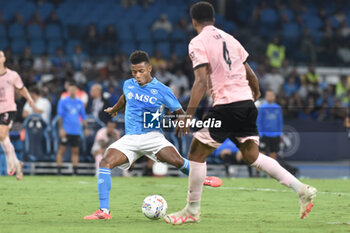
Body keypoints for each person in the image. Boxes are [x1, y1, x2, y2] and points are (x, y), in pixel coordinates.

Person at [164, 2, 317, 225]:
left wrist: (187, 115)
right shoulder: (231, 39)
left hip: (226, 106)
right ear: (214, 20)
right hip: (246, 104)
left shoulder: (197, 42)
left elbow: (199, 82)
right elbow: (250, 73)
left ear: (194, 22)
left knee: (196, 152)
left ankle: (192, 210)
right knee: (251, 155)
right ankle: (301, 189)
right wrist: (254, 93)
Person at [84, 50, 221, 220]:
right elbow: (125, 97)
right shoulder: (128, 84)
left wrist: (183, 121)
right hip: (130, 139)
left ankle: (203, 178)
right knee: (105, 163)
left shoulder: (162, 90)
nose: (137, 75)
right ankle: (104, 211)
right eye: (134, 72)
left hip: (153, 137)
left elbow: (179, 110)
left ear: (149, 68)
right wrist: (115, 108)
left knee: (177, 161)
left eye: (141, 71)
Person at [0, 50, 35, 180]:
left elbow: (21, 88)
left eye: (0, 56)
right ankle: (17, 162)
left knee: (2, 133)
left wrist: (29, 98)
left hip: (8, 108)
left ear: (4, 59)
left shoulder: (12, 75)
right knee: (3, 138)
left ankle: (11, 163)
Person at [56, 80, 89, 175]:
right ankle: (59, 170)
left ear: (76, 90)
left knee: (75, 151)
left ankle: (75, 171)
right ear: (68, 90)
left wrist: (86, 128)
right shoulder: (63, 101)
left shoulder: (80, 102)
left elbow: (83, 116)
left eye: (74, 89)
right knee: (61, 150)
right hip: (66, 130)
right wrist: (61, 129)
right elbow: (60, 116)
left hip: (76, 131)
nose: (72, 91)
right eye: (70, 89)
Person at [257, 90, 283, 160]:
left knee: (273, 153)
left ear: (274, 97)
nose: (270, 97)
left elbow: (279, 122)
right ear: (266, 97)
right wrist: (260, 133)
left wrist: (280, 133)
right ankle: (258, 170)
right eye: (268, 95)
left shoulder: (278, 108)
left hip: (275, 135)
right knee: (262, 152)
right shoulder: (262, 107)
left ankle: (273, 170)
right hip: (264, 135)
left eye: (271, 95)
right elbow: (259, 122)